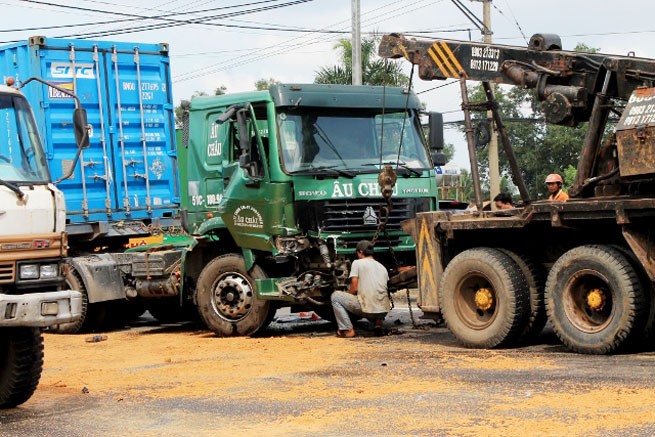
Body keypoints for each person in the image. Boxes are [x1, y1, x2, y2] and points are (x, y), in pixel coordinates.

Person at [330, 240, 390, 338]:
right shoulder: (382, 267)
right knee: (376, 296)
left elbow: (354, 288)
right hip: (383, 311)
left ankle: (347, 329)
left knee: (336, 296)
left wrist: (346, 296)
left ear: (360, 252)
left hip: (367, 310)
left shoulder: (357, 263)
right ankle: (378, 324)